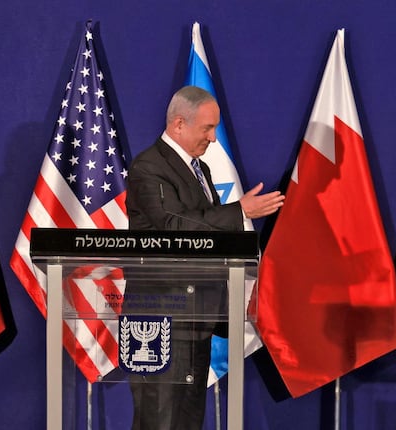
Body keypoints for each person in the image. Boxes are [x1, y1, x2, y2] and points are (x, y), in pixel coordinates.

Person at [124, 85, 285, 429]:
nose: (213, 139)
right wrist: (239, 210)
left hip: (194, 314)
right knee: (159, 420)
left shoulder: (201, 170)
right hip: (159, 316)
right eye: (207, 128)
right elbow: (172, 224)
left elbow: (206, 235)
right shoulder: (148, 166)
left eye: (215, 128)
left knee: (188, 419)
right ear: (179, 124)